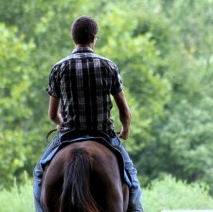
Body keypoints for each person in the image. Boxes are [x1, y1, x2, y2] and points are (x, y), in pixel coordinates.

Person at [33, 16, 143, 211]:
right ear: (94, 38)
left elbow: (52, 114)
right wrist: (125, 130)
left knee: (40, 174)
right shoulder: (108, 66)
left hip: (68, 135)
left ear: (73, 38)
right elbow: (124, 111)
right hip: (104, 136)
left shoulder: (59, 68)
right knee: (131, 178)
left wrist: (60, 123)